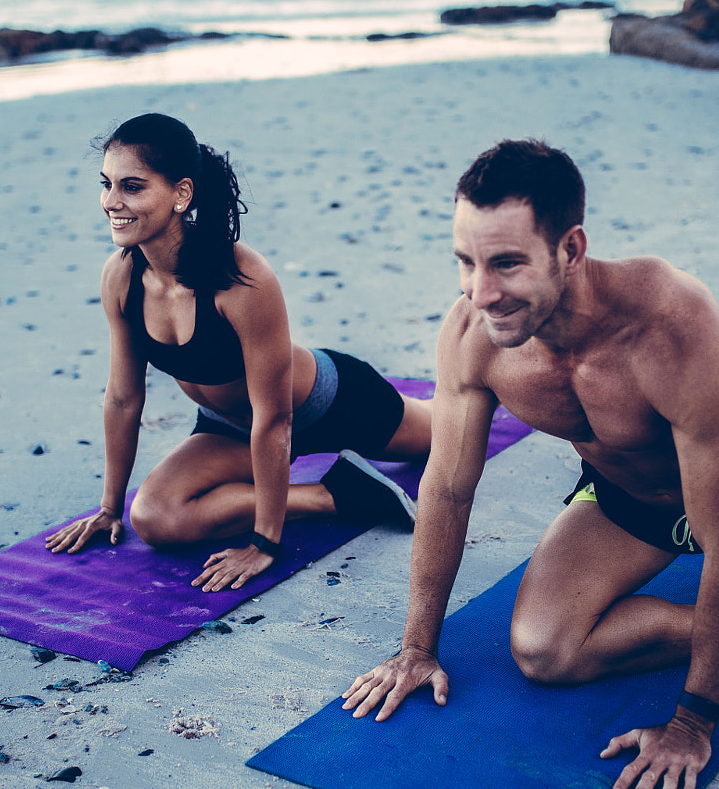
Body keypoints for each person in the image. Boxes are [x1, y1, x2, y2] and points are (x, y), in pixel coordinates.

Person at [341, 139, 719, 789]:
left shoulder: (670, 329)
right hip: (626, 496)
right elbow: (447, 489)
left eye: (506, 264)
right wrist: (416, 648)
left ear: (569, 250)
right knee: (543, 651)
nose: (482, 293)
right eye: (466, 262)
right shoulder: (474, 336)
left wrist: (693, 721)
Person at [45, 113, 431, 591]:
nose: (111, 202)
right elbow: (124, 398)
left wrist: (264, 542)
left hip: (328, 404)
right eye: (106, 184)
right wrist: (109, 507)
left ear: (181, 194)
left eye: (132, 187)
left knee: (448, 430)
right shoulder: (121, 278)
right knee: (154, 518)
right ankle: (338, 495)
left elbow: (276, 419)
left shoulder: (241, 278)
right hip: (228, 425)